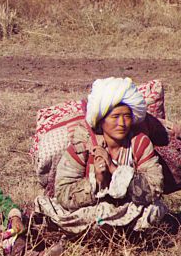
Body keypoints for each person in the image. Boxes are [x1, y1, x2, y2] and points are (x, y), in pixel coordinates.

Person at [33, 76, 167, 236]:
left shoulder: (139, 142)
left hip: (127, 209)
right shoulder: (83, 144)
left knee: (155, 210)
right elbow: (62, 192)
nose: (122, 123)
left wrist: (114, 169)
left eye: (127, 116)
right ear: (101, 120)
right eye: (115, 117)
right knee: (55, 208)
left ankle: (106, 231)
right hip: (90, 211)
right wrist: (96, 181)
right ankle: (108, 230)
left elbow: (155, 187)